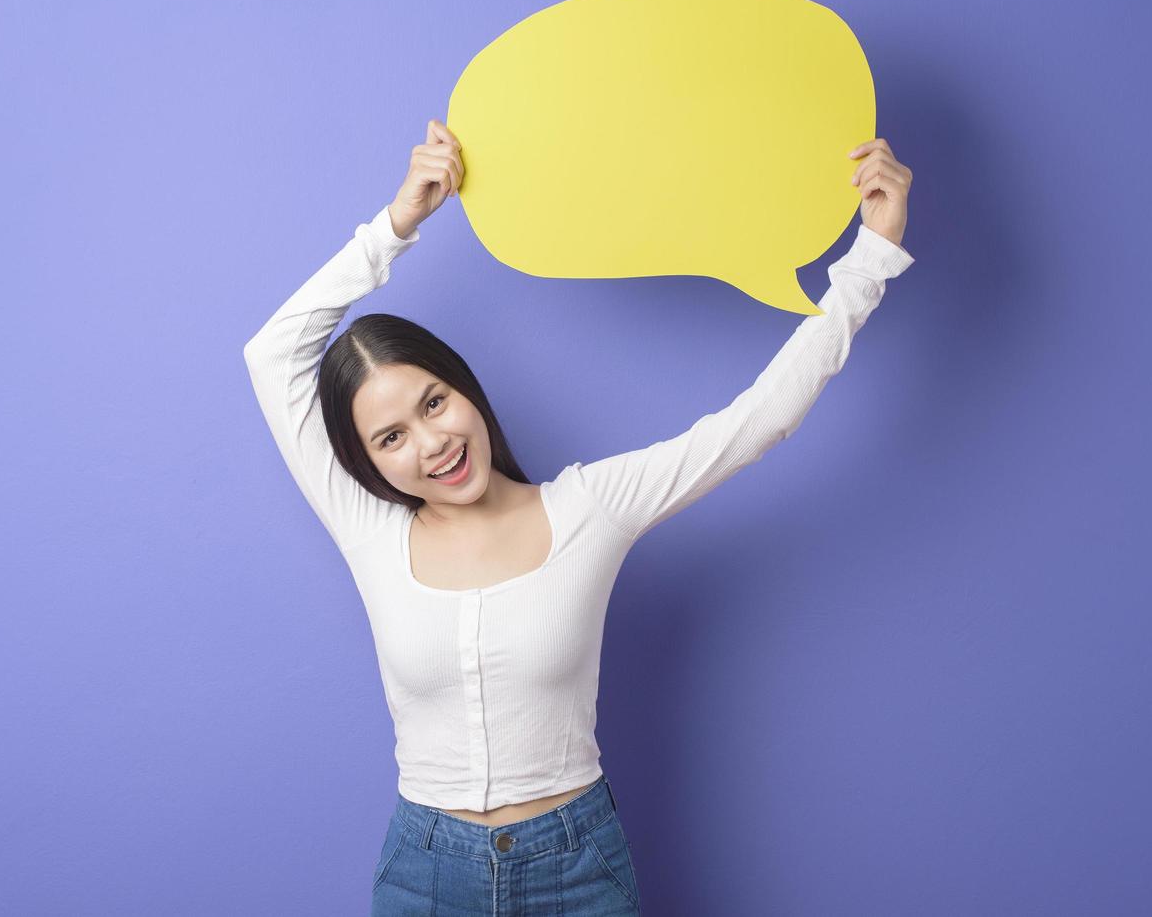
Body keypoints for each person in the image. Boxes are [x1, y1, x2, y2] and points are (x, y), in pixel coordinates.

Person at [243, 118, 915, 915]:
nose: (432, 444)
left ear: (467, 392)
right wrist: (396, 224)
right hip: (427, 874)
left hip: (576, 870)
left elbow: (756, 420)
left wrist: (870, 259)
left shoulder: (590, 506)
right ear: (368, 461)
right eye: (392, 437)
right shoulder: (367, 529)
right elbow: (273, 353)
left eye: (435, 403)